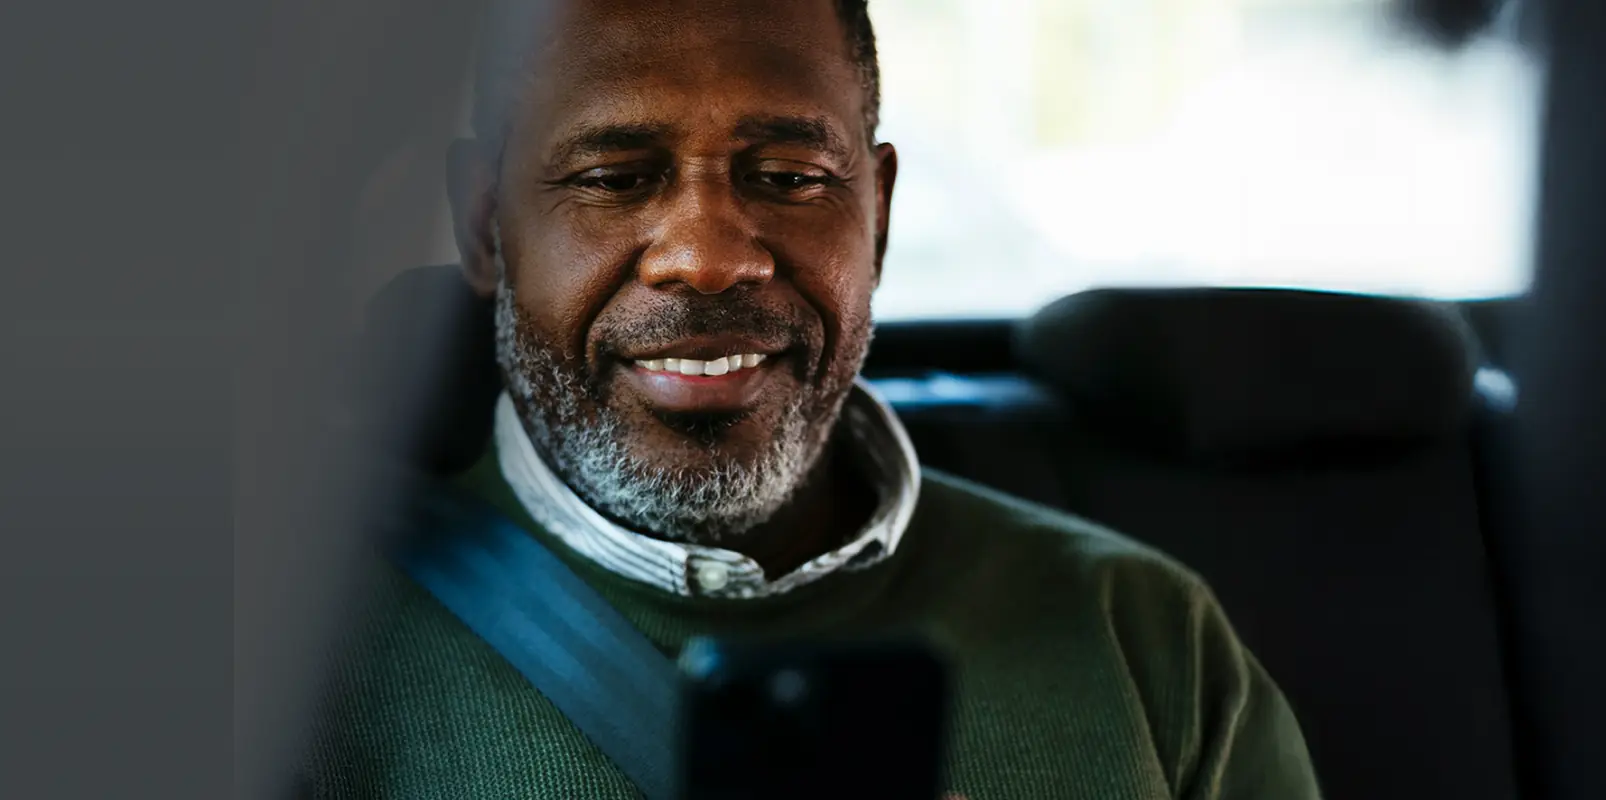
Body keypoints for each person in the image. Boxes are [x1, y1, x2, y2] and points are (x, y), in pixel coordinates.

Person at [303, 0, 1320, 797]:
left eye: (789, 176)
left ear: (874, 215)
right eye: (614, 175)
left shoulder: (1141, 633)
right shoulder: (292, 662)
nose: (706, 257)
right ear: (486, 223)